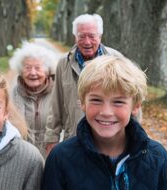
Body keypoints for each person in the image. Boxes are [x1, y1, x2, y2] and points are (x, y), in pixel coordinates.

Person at [40, 56, 167, 190]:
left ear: (136, 106)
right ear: (82, 103)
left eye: (118, 102)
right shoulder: (61, 159)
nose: (106, 112)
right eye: (96, 100)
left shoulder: (158, 159)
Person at [44, 13, 124, 155]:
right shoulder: (64, 63)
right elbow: (56, 104)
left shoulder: (117, 59)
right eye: (81, 36)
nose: (87, 42)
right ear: (75, 37)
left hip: (110, 141)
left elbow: (130, 99)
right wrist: (52, 138)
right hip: (75, 140)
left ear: (100, 36)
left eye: (92, 36)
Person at [9, 42, 58, 157]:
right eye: (27, 68)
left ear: (47, 71)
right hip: (22, 153)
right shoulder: (14, 93)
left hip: (52, 152)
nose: (32, 73)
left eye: (38, 68)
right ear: (21, 71)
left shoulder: (57, 92)